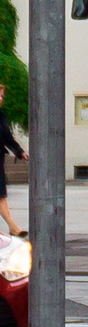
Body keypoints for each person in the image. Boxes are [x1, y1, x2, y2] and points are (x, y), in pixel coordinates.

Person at [0, 84, 25, 237]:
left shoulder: (1, 116)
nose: (1, 99)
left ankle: (13, 228)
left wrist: (20, 152)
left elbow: (8, 138)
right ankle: (14, 228)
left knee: (1, 195)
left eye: (2, 96)